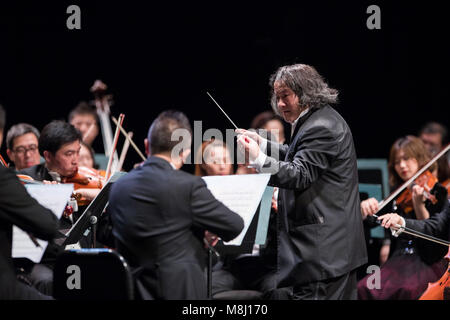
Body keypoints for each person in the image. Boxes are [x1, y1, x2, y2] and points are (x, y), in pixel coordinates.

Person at [236, 63, 367, 299]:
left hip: (322, 256)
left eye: (285, 97)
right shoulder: (317, 119)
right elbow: (296, 152)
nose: (281, 105)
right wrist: (262, 143)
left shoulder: (321, 126)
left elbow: (300, 173)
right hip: (330, 252)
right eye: (277, 98)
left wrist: (258, 160)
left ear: (305, 93)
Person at [108, 110, 244, 300]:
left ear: (147, 146)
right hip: (181, 289)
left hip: (134, 289)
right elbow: (234, 225)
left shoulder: (118, 187)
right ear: (184, 152)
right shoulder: (188, 185)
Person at [358, 135, 448, 300]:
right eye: (397, 161)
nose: (402, 166)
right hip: (399, 258)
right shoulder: (396, 192)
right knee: (364, 287)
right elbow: (375, 220)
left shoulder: (436, 192)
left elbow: (432, 234)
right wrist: (366, 208)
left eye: (407, 159)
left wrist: (419, 205)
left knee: (407, 289)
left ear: (420, 158)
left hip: (425, 260)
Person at [0, 104, 59, 300]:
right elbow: (47, 224)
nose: (27, 155)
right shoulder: (6, 179)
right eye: (21, 150)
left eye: (32, 148)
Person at [418, 122, 450, 190]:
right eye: (424, 142)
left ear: (443, 147)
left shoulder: (445, 171)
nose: (426, 148)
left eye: (432, 144)